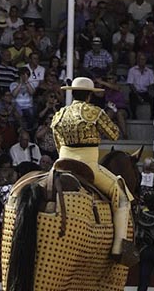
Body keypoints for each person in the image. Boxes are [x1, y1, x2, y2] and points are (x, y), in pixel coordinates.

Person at [50, 76, 132, 259]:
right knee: (122, 195)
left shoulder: (59, 114)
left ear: (72, 93)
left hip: (60, 164)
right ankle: (119, 248)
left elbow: (57, 145)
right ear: (89, 95)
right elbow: (114, 135)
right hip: (88, 165)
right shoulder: (95, 112)